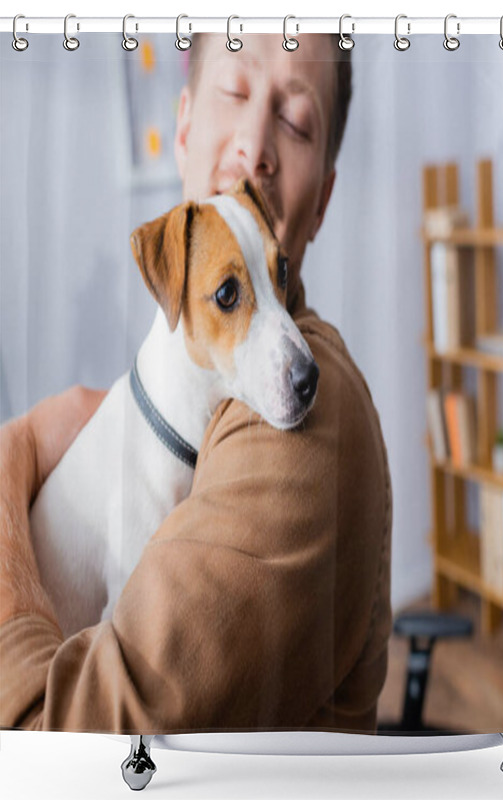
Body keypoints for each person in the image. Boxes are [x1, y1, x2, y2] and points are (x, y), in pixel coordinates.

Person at [0, 34, 392, 734]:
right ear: (181, 128)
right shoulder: (146, 420)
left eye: (297, 123)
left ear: (325, 197)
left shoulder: (306, 429)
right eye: (235, 92)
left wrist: (16, 450)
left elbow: (60, 737)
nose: (253, 144)